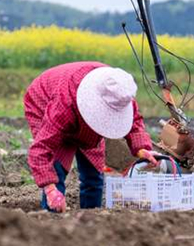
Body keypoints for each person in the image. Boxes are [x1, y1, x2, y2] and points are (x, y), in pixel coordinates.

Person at [24, 61, 159, 212]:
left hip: (74, 110)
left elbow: (134, 121)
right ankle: (52, 216)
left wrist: (142, 149)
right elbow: (41, 149)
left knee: (94, 174)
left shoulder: (119, 92)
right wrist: (50, 190)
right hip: (44, 100)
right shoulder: (64, 105)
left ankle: (91, 215)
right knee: (56, 168)